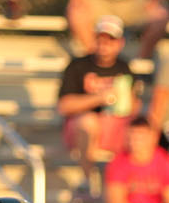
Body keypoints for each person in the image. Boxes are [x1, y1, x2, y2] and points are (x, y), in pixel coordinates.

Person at [57, 17, 136, 160]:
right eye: (101, 39)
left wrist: (130, 102)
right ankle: (88, 180)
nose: (104, 45)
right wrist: (100, 98)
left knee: (136, 130)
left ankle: (120, 177)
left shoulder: (124, 67)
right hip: (80, 131)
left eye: (110, 40)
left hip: (113, 129)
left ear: (120, 43)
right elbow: (64, 106)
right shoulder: (78, 65)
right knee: (88, 122)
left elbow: (132, 106)